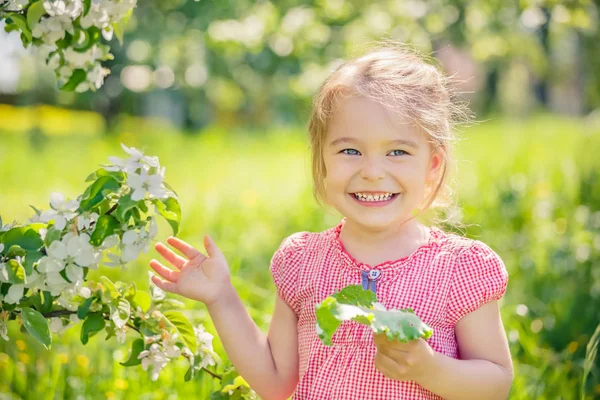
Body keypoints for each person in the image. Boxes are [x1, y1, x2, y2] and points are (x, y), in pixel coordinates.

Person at [148, 43, 513, 400]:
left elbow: (496, 383)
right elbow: (276, 383)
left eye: (397, 152)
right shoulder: (303, 261)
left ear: (432, 166)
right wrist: (221, 298)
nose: (372, 172)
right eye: (349, 151)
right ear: (322, 161)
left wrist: (430, 369)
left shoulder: (459, 269)